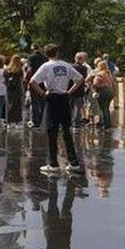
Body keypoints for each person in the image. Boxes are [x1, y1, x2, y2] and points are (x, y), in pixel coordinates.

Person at [29, 44, 84, 175]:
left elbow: (32, 81)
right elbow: (80, 79)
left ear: (47, 53)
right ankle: (73, 162)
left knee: (52, 131)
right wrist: (69, 92)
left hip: (52, 97)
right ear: (57, 53)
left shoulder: (46, 66)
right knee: (66, 130)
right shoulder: (65, 65)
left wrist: (43, 93)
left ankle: (53, 163)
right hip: (64, 97)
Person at [89, 55, 116, 129]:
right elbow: (113, 83)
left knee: (102, 108)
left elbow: (96, 84)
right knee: (106, 108)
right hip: (110, 91)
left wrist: (93, 88)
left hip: (103, 91)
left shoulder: (100, 74)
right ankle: (108, 123)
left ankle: (105, 124)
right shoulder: (109, 73)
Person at [26, 46, 48, 128]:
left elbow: (29, 70)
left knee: (34, 102)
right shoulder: (45, 58)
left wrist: (27, 80)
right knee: (42, 102)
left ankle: (36, 121)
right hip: (43, 83)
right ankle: (43, 119)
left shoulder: (31, 57)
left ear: (32, 49)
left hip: (34, 82)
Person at [71, 52, 92, 128]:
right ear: (82, 59)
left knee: (70, 108)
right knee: (78, 108)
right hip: (80, 90)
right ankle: (76, 124)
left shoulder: (70, 67)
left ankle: (68, 122)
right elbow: (84, 79)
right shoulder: (84, 68)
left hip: (70, 89)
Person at [5, 55, 25, 125]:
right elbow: (22, 79)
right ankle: (17, 120)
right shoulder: (19, 70)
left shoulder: (7, 69)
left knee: (10, 104)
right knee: (17, 105)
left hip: (9, 89)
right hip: (17, 88)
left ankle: (9, 120)